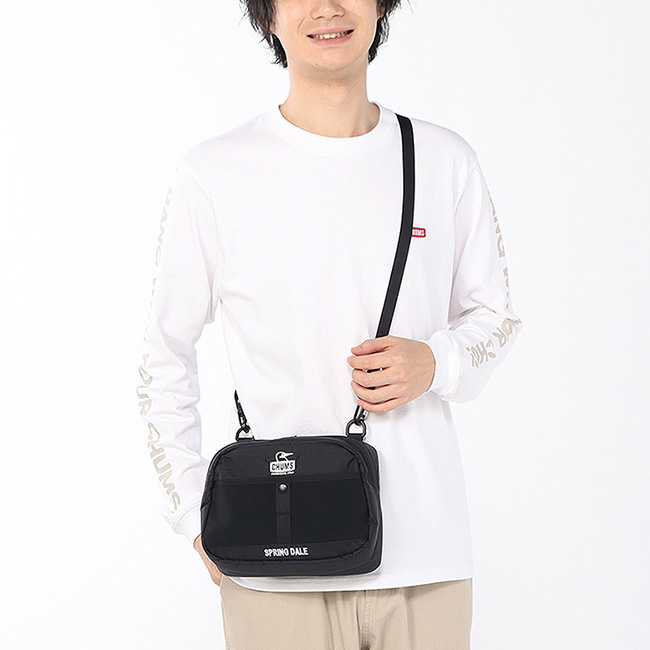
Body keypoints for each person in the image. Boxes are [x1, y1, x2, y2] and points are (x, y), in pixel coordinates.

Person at [137, 1, 522, 648]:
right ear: (268, 17)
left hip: (425, 558)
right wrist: (192, 511)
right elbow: (162, 354)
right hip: (271, 560)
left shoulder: (443, 159)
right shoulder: (213, 173)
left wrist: (437, 362)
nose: (327, 9)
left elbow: (497, 317)